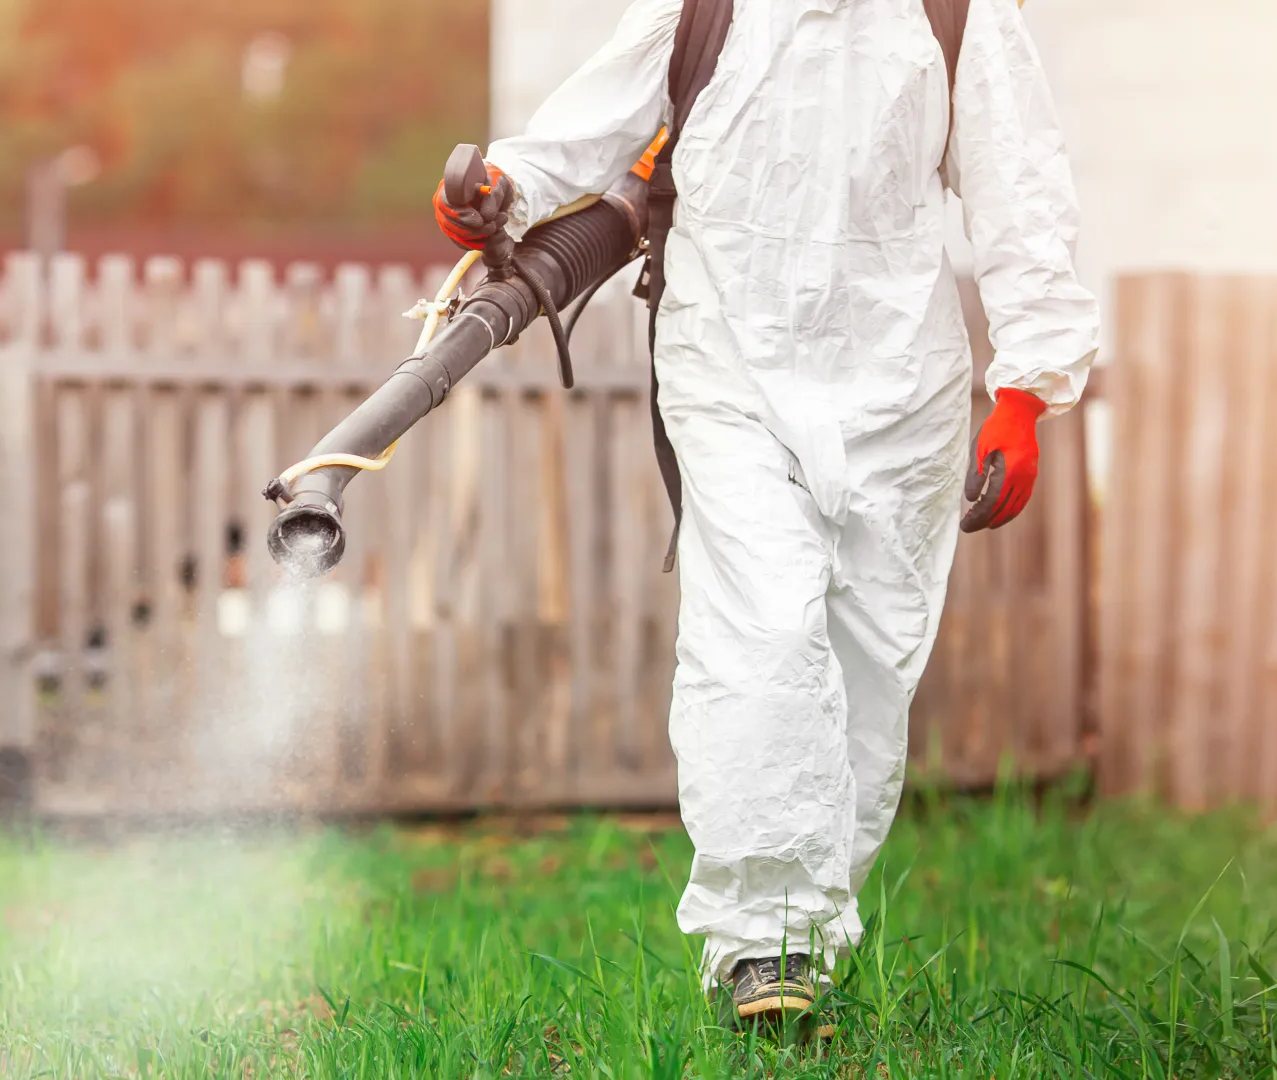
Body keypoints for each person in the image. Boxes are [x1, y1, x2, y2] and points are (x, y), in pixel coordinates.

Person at [434, 0, 1098, 1023]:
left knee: (867, 667)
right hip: (730, 355)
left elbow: (1020, 181)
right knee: (765, 627)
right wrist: (504, 187)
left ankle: (809, 937)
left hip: (899, 382)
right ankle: (765, 944)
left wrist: (1029, 386)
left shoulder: (955, 10)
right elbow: (601, 113)